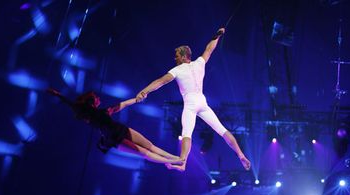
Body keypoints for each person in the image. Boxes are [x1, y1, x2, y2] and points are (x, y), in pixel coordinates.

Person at [136, 28, 251, 172]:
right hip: (202, 102)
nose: (175, 58)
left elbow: (160, 82)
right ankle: (240, 154)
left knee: (186, 133)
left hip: (190, 104)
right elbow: (209, 49)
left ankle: (183, 161)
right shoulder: (199, 63)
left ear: (184, 57)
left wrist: (144, 90)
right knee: (222, 130)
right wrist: (218, 35)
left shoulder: (177, 70)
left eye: (177, 56)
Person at [47, 88, 183, 165]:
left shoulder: (104, 111)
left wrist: (136, 99)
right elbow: (73, 104)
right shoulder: (88, 113)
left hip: (120, 129)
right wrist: (59, 95)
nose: (99, 99)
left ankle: (174, 158)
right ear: (92, 101)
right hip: (113, 138)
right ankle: (172, 161)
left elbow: (122, 105)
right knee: (146, 153)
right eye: (96, 98)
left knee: (150, 146)